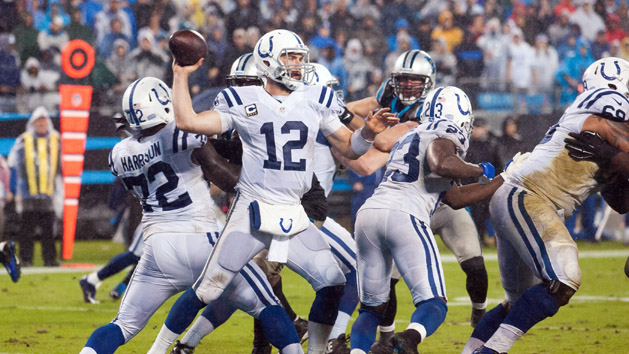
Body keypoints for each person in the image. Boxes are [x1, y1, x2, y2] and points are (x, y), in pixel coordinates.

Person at [160, 29, 397, 354]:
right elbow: (188, 121)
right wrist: (180, 74)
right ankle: (160, 349)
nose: (298, 64)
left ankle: (314, 351)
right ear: (268, 60)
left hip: (294, 211)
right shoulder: (242, 99)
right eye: (291, 57)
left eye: (300, 57)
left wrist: (367, 133)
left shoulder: (315, 97)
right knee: (209, 289)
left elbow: (351, 148)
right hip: (253, 210)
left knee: (332, 282)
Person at [78, 77, 304, 354]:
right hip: (202, 241)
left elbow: (150, 144)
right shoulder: (182, 135)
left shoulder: (119, 154)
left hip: (158, 249)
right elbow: (226, 177)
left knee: (122, 325)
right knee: (268, 305)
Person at [463, 57, 629, 354]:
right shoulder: (603, 106)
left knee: (518, 302)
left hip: (520, 200)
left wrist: (614, 161)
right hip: (528, 198)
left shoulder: (600, 126)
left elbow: (621, 202)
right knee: (564, 278)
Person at [343, 50, 490, 352]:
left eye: (415, 80)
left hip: (376, 209)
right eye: (403, 80)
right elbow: (442, 166)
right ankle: (400, 341)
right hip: (410, 211)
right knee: (434, 302)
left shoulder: (412, 128)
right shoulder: (443, 126)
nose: (407, 85)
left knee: (370, 306)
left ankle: (361, 347)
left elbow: (449, 194)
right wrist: (483, 172)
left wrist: (360, 124)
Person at [8, 106, 61, 267]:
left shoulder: (56, 139)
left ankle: (50, 259)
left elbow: (63, 165)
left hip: (48, 193)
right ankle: (25, 259)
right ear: (33, 122)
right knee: (26, 229)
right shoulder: (24, 140)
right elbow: (12, 164)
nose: (41, 123)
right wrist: (14, 189)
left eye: (43, 120)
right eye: (38, 120)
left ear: (47, 122)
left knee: (48, 230)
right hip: (27, 193)